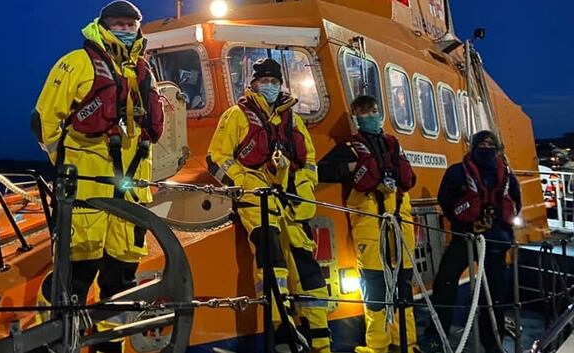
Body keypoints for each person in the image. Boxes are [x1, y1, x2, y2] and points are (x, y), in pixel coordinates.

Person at [31, 0, 164, 352]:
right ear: (102, 25)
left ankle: (110, 347)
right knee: (71, 281)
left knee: (120, 285)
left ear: (138, 28)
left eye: (129, 24)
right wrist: (69, 162)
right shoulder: (75, 64)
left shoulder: (145, 73)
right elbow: (44, 123)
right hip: (86, 197)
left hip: (130, 200)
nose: (123, 29)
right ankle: (52, 344)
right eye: (116, 23)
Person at [207, 58, 331, 353]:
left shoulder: (294, 121)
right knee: (272, 263)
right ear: (253, 84)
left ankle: (322, 341)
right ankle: (281, 336)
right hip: (257, 202)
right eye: (264, 81)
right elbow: (217, 159)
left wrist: (299, 183)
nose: (270, 86)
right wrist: (248, 184)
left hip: (292, 204)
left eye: (274, 81)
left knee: (308, 269)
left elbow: (310, 161)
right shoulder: (236, 116)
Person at [317, 95, 418, 353]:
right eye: (363, 112)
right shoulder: (350, 146)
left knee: (403, 285)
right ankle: (378, 345)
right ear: (356, 117)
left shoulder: (393, 144)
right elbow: (322, 170)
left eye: (373, 110)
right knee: (374, 286)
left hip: (399, 222)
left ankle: (406, 342)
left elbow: (409, 178)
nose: (370, 115)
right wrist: (355, 168)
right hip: (370, 224)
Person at [429, 130, 521, 353]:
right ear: (473, 146)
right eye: (483, 143)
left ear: (497, 148)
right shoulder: (457, 172)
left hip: (497, 241)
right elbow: (446, 199)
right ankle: (437, 334)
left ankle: (492, 340)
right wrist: (465, 224)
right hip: (465, 239)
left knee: (496, 293)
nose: (487, 147)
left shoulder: (507, 176)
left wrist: (497, 220)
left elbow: (516, 203)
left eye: (491, 143)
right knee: (445, 282)